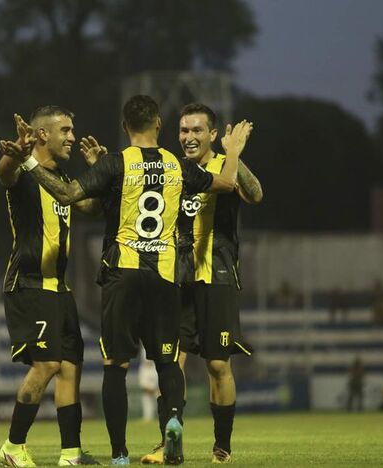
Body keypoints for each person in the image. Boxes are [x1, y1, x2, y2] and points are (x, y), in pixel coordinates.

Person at [0, 94, 252, 465]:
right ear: (160, 126)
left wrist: (51, 164)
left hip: (121, 274)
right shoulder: (175, 164)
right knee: (168, 363)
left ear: (124, 127)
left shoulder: (116, 164)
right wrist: (234, 150)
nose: (71, 136)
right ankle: (172, 421)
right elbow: (230, 183)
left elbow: (74, 197)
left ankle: (118, 453)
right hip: (166, 275)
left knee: (114, 365)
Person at [142, 103, 261, 464]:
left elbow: (255, 194)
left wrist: (234, 154)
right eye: (183, 131)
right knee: (170, 361)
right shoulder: (172, 169)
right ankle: (168, 442)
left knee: (217, 365)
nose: (188, 137)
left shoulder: (226, 166)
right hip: (177, 279)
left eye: (196, 131)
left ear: (212, 134)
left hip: (218, 276)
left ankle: (221, 446)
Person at [0, 109, 100, 467]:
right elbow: (4, 174)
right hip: (29, 283)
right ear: (42, 135)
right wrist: (15, 154)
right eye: (65, 130)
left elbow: (89, 205)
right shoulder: (22, 174)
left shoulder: (61, 177)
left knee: (70, 366)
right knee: (47, 364)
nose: (72, 136)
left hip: (59, 288)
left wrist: (97, 175)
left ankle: (71, 454)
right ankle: (13, 446)